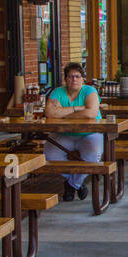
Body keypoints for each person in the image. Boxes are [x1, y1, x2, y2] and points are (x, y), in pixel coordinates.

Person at [44, 62, 104, 202]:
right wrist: (78, 109)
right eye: (70, 76)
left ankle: (72, 184)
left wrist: (62, 113)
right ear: (65, 79)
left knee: (93, 156)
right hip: (64, 134)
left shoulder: (90, 91)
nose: (74, 79)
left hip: (90, 133)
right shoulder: (57, 92)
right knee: (49, 154)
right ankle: (77, 182)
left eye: (77, 76)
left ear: (83, 78)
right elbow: (49, 113)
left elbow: (91, 113)